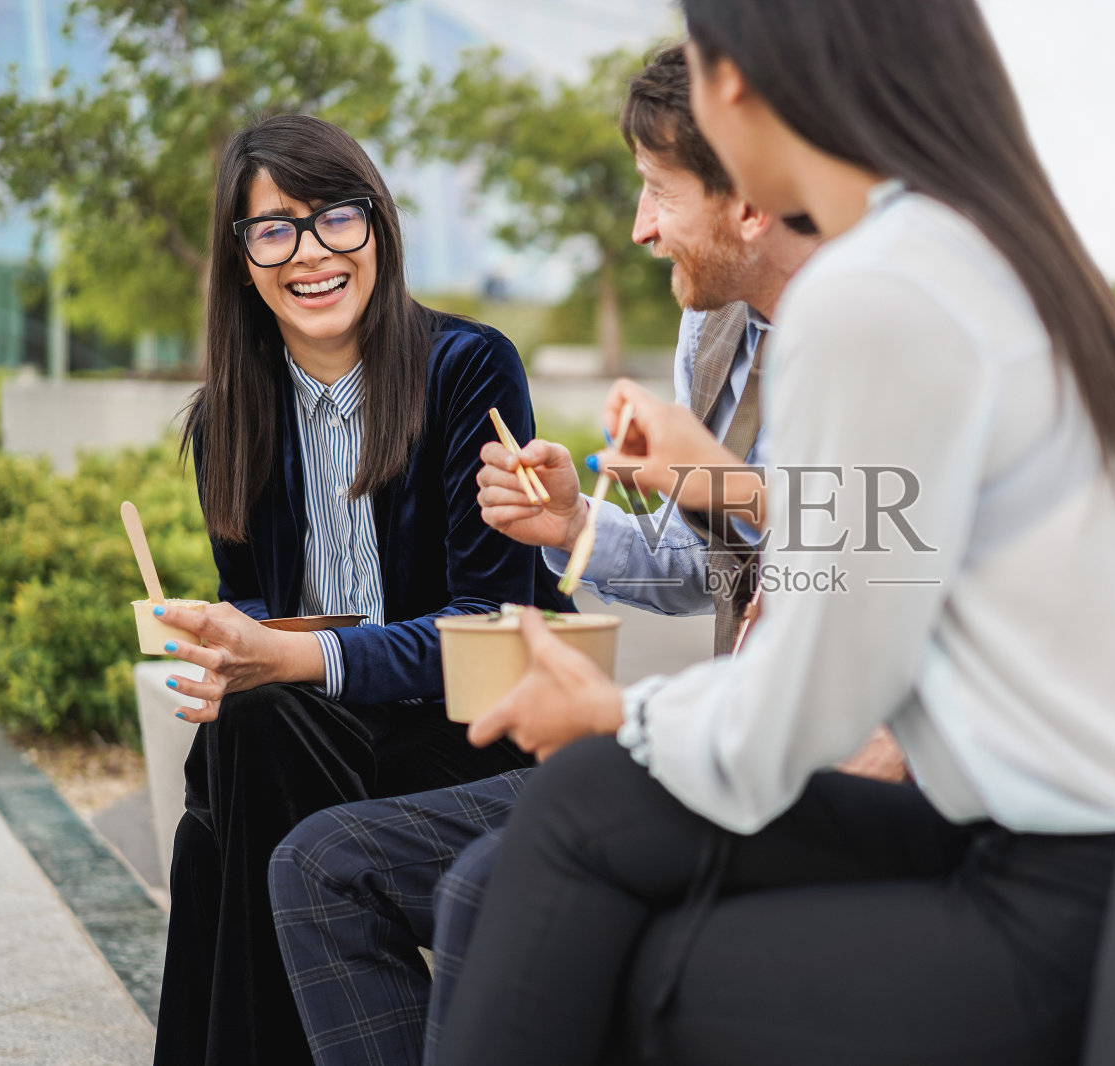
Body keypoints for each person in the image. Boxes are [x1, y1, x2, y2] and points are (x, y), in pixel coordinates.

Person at [433, 2, 1115, 1064]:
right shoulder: (984, 252)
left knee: (607, 919)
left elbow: (810, 696)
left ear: (736, 82)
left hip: (1077, 894)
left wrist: (616, 713)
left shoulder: (878, 294)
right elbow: (873, 554)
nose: (641, 221)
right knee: (581, 814)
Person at [265, 45, 856, 1066]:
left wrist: (710, 478)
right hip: (712, 733)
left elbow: (876, 550)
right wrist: (576, 523)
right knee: (318, 863)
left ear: (748, 202)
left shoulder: (871, 336)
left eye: (656, 191)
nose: (637, 226)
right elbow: (708, 562)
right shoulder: (713, 332)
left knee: (481, 890)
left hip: (785, 758)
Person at [149, 113, 561, 1066]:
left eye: (336, 218)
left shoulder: (466, 370)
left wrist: (289, 657)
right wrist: (226, 642)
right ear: (243, 258)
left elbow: (491, 628)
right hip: (318, 740)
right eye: (274, 228)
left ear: (377, 228)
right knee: (241, 739)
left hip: (472, 735)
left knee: (236, 784)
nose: (310, 253)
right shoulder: (230, 417)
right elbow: (252, 594)